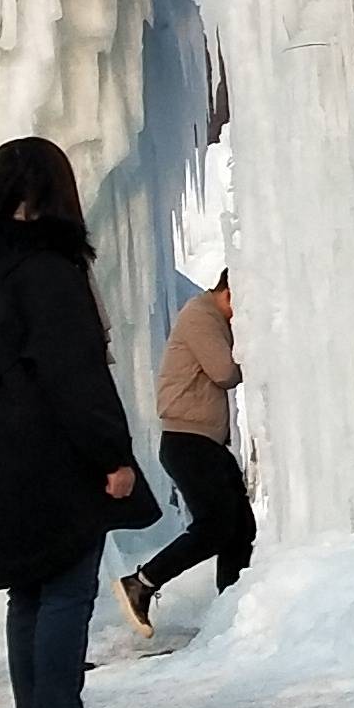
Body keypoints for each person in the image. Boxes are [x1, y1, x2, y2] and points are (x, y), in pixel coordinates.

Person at [0, 136, 151, 708]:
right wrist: (112, 454)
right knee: (65, 589)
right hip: (52, 453)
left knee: (28, 592)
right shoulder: (46, 269)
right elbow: (74, 372)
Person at [120, 269, 253, 632]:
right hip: (186, 439)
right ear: (229, 291)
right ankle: (143, 581)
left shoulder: (210, 317)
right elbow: (225, 370)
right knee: (216, 526)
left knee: (239, 528)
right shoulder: (200, 315)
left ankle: (233, 611)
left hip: (203, 440)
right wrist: (255, 348)